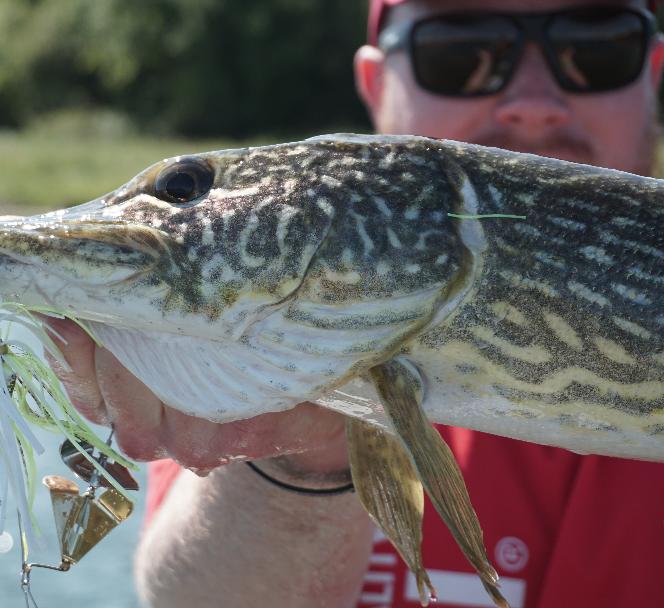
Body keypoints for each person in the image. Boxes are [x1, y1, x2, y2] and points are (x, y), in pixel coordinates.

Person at [44, 0, 664, 606]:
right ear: (376, 82)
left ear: (654, 72)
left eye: (597, 49)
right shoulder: (266, 335)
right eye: (460, 54)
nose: (533, 103)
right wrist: (301, 460)